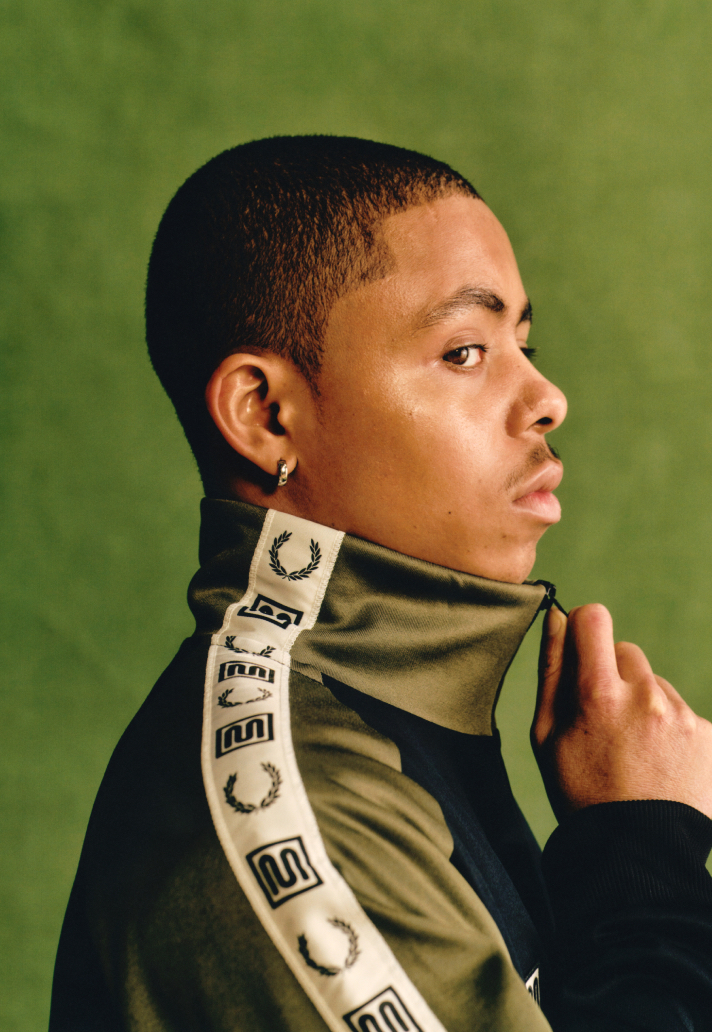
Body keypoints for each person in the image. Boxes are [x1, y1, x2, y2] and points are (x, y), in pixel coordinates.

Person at [50, 136, 712, 1032]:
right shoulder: (289, 814)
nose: (547, 398)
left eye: (523, 343)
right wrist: (644, 846)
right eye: (464, 352)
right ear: (265, 415)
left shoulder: (394, 722)